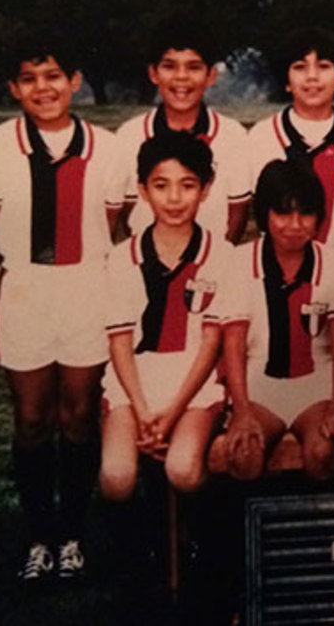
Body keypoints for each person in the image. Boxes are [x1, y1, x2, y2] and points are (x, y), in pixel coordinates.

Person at [0, 39, 123, 579]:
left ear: (75, 80)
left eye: (54, 75)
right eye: (30, 78)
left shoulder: (106, 148)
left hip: (87, 289)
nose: (44, 88)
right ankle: (39, 536)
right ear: (14, 88)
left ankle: (74, 534)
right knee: (33, 417)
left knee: (78, 416)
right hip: (28, 292)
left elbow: (112, 223)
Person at [99, 132, 235, 502]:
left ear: (205, 189)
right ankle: (140, 545)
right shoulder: (122, 256)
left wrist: (172, 413)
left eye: (187, 185)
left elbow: (211, 343)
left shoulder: (221, 255)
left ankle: (204, 533)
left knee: (183, 471)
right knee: (116, 479)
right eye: (161, 186)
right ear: (142, 190)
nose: (174, 198)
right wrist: (142, 410)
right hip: (134, 386)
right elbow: (120, 340)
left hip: (194, 386)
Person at [222, 160, 334, 481]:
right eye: (282, 213)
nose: (294, 225)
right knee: (244, 455)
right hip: (260, 386)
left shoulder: (333, 262)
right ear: (265, 214)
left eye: (305, 214)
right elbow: (234, 346)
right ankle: (249, 528)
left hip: (317, 384)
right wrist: (241, 411)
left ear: (318, 218)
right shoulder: (239, 262)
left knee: (322, 454)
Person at [115, 20, 252, 243]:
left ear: (211, 76)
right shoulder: (128, 135)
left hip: (212, 268)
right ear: (153, 73)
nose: (181, 77)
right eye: (169, 66)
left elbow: (237, 213)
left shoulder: (233, 136)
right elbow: (129, 211)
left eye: (194, 67)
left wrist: (217, 260)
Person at [247, 27, 334, 246]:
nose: (312, 76)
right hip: (280, 264)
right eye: (300, 67)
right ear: (286, 81)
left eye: (323, 66)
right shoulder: (261, 136)